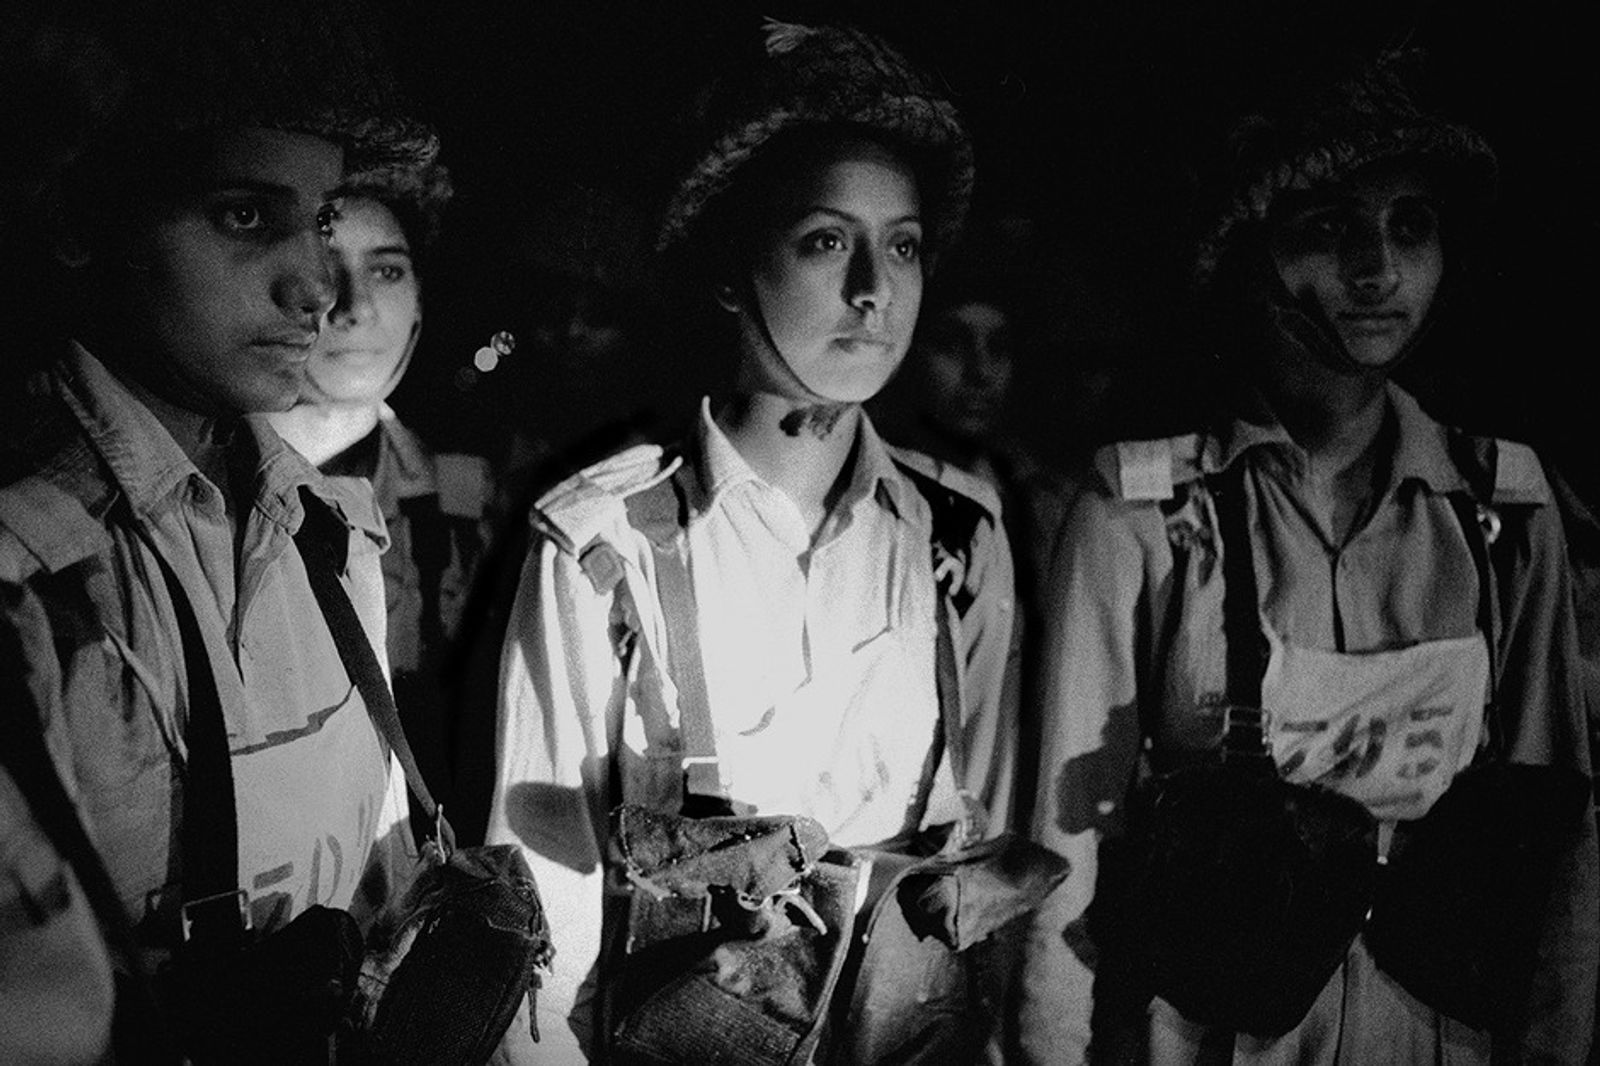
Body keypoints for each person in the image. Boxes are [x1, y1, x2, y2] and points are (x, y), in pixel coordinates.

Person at [1018, 50, 1597, 1064]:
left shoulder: (1501, 508)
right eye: (1329, 229)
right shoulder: (1144, 513)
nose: (1377, 271)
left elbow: (1558, 847)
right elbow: (1068, 848)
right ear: (1250, 252)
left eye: (1408, 227)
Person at [485, 19, 1024, 1062]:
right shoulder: (607, 544)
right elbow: (537, 911)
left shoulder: (954, 536)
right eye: (826, 241)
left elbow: (975, 839)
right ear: (731, 270)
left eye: (902, 246)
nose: (874, 290)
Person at [0, 1, 438, 1058]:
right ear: (77, 223)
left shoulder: (332, 536)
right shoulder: (29, 577)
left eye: (324, 219)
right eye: (245, 216)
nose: (319, 286)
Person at [269, 167, 493, 841]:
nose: (355, 305)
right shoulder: (198, 500)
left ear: (420, 301)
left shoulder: (471, 500)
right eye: (324, 264)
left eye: (388, 271)